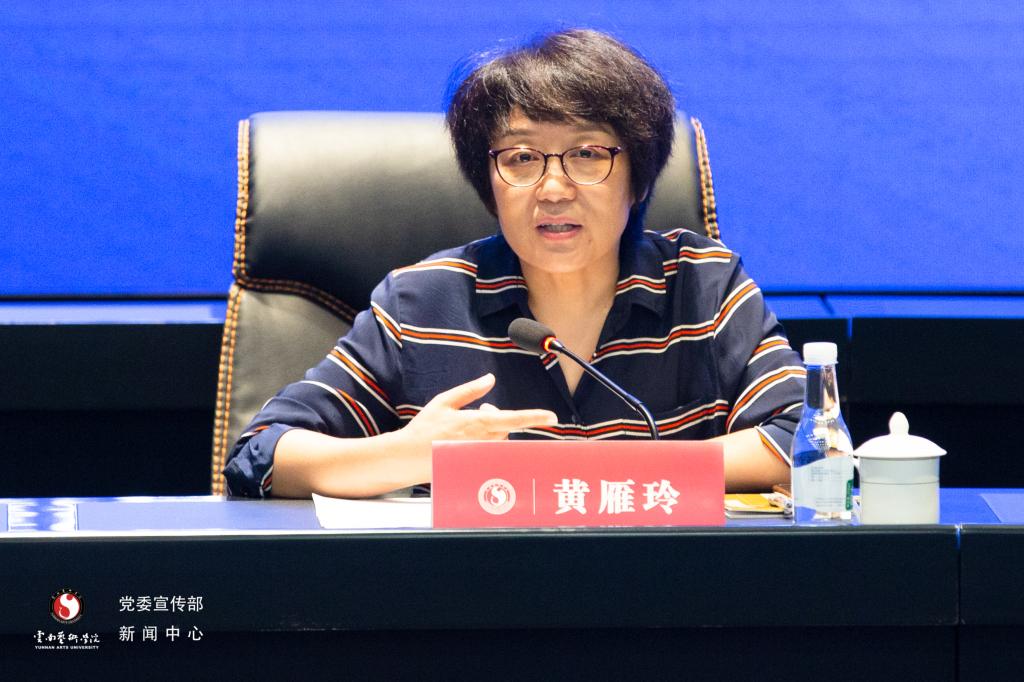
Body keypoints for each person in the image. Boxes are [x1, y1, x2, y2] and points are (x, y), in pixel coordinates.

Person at [223, 29, 805, 499]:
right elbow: (261, 455)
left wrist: (592, 476)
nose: (553, 188)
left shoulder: (703, 284)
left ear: (640, 177)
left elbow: (809, 442)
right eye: (522, 157)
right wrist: (405, 454)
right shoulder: (420, 303)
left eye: (587, 153)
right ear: (489, 182)